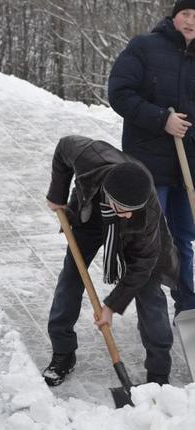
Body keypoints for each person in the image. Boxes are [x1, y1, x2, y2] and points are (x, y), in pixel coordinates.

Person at [42, 135, 179, 387]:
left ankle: (159, 373)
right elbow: (62, 146)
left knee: (150, 292)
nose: (126, 214)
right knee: (71, 278)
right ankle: (63, 353)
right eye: (122, 208)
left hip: (136, 234)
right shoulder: (88, 154)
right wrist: (57, 193)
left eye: (131, 210)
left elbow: (142, 264)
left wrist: (111, 306)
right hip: (91, 215)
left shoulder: (144, 213)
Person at [108, 0, 195, 317]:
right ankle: (153, 317)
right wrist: (162, 119)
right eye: (186, 13)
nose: (191, 21)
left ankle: (187, 308)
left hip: (188, 171)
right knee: (149, 244)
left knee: (184, 240)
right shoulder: (144, 47)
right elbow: (119, 93)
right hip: (148, 167)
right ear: (174, 17)